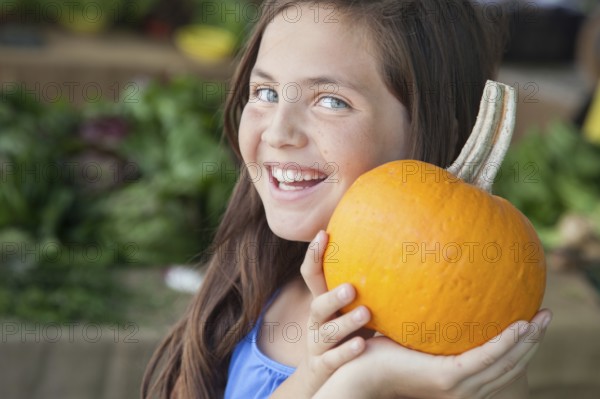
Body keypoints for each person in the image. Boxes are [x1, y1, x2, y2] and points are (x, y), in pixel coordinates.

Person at [142, 0, 552, 398]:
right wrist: (333, 376)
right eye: (265, 92)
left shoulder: (455, 353)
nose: (278, 132)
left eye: (332, 101)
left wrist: (365, 380)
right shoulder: (252, 277)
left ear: (432, 125)